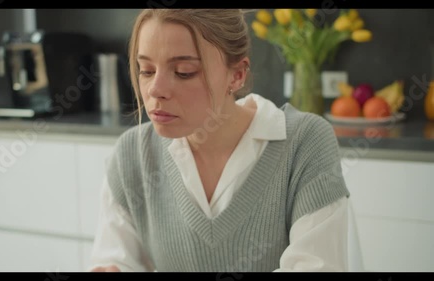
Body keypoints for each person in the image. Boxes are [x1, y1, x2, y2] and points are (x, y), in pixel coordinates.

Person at [89, 9, 350, 272]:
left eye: (183, 72)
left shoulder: (304, 142)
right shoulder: (131, 154)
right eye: (146, 70)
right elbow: (116, 260)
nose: (155, 89)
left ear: (236, 75)